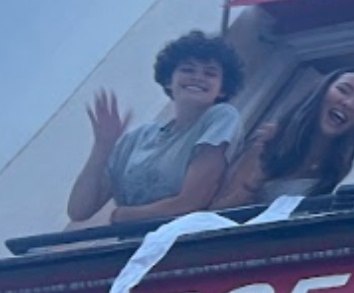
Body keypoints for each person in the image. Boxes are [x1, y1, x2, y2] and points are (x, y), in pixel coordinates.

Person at [67, 31, 245, 224]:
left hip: (185, 246)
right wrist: (102, 147)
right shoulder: (136, 138)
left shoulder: (222, 117)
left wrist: (122, 215)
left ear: (223, 89)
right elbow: (78, 210)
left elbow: (191, 203)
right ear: (169, 80)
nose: (198, 77)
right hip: (134, 249)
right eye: (187, 70)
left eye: (210, 73)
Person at [211, 68, 354, 208]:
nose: (348, 103)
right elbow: (221, 209)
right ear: (322, 91)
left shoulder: (343, 172)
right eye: (343, 90)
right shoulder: (270, 141)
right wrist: (254, 181)